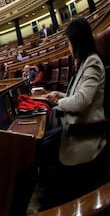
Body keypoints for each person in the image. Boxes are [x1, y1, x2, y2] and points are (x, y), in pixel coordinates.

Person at [39, 16, 107, 207]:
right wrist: (59, 95)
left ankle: (55, 201)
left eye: (69, 42)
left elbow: (82, 102)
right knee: (42, 141)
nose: (68, 47)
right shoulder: (84, 62)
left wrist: (59, 103)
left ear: (77, 42)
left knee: (42, 147)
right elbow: (77, 95)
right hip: (74, 124)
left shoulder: (92, 63)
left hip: (84, 130)